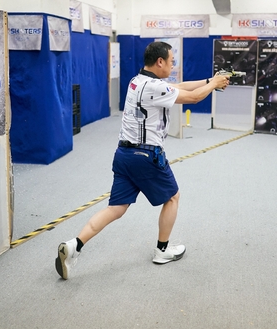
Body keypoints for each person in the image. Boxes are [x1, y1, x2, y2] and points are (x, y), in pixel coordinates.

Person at [55, 41, 230, 280]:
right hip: (146, 156)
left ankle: (74, 245)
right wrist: (214, 86)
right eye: (171, 61)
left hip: (124, 155)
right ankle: (162, 250)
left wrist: (211, 80)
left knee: (116, 208)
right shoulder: (154, 88)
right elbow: (193, 98)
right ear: (160, 62)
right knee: (172, 197)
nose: (173, 64)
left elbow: (179, 87)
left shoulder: (138, 81)